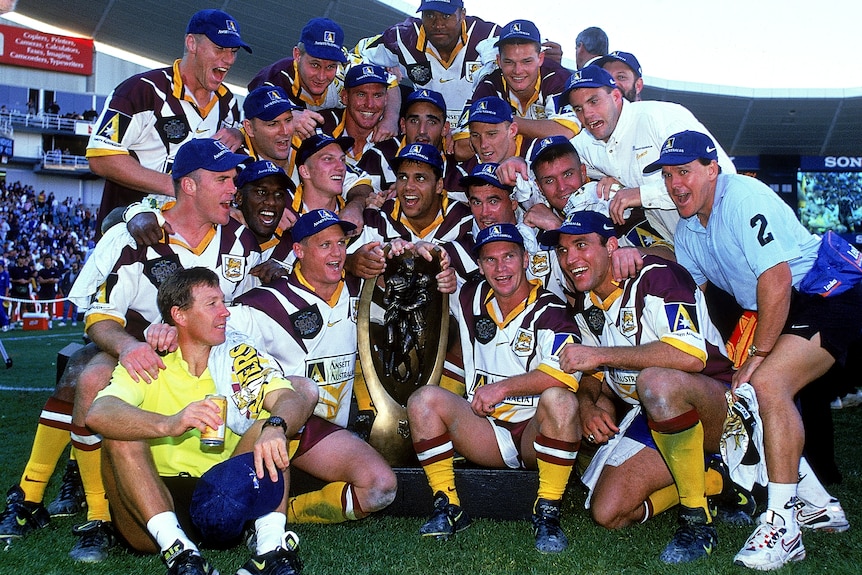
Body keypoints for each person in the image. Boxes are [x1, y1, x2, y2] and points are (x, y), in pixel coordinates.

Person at [646, 130, 858, 570]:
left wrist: (756, 358)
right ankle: (816, 504)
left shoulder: (741, 196)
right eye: (667, 175)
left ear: (712, 169)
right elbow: (700, 303)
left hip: (826, 293)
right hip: (779, 306)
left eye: (684, 171)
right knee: (745, 393)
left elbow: (776, 281)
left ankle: (783, 525)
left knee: (766, 384)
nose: (674, 184)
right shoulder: (687, 229)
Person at [62, 138, 258, 561]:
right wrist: (131, 346)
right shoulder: (137, 237)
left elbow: (251, 308)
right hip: (148, 355)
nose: (233, 189)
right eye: (223, 180)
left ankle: (249, 509)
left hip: (213, 359)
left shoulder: (242, 239)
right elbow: (99, 316)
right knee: (94, 380)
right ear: (188, 186)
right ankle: (97, 516)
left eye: (234, 179)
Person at [544, 210, 747, 563]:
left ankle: (697, 521)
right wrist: (588, 405)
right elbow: (593, 374)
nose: (570, 259)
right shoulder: (588, 303)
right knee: (608, 512)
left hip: (719, 405)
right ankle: (715, 480)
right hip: (654, 412)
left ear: (611, 246)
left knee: (656, 380)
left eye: (581, 245)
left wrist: (599, 353)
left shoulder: (656, 276)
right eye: (562, 251)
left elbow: (689, 358)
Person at [86, 267, 318, 575]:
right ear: (179, 315)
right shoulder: (150, 358)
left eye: (223, 302)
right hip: (150, 498)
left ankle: (271, 549)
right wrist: (169, 424)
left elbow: (289, 398)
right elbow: (98, 413)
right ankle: (181, 555)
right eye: (212, 304)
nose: (225, 313)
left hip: (221, 496)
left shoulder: (236, 355)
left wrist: (276, 426)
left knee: (273, 424)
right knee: (118, 432)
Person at [228, 210, 453, 524]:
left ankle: (291, 514)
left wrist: (435, 269)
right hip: (275, 426)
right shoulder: (261, 304)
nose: (336, 253)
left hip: (325, 433)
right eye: (324, 245)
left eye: (341, 244)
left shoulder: (362, 293)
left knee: (381, 489)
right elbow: (212, 331)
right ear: (298, 251)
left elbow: (415, 300)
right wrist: (165, 331)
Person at [407, 223, 582, 553]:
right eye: (490, 260)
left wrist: (501, 389)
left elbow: (565, 375)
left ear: (526, 259)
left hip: (535, 432)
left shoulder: (552, 310)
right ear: (480, 265)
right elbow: (434, 268)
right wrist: (423, 255)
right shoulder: (469, 296)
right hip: (485, 431)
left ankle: (547, 512)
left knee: (560, 401)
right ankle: (449, 506)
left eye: (509, 257)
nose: (501, 269)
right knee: (423, 401)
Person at [86, 9, 250, 230]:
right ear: (191, 43)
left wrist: (240, 132)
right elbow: (100, 156)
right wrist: (177, 187)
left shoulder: (228, 102)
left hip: (195, 241)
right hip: (132, 240)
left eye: (234, 51)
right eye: (219, 48)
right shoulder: (141, 90)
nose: (229, 60)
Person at [249, 17, 400, 141]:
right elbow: (253, 111)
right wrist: (288, 116)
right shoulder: (277, 78)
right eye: (315, 65)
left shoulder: (349, 69)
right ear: (297, 55)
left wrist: (391, 119)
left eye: (330, 67)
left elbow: (391, 82)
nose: (321, 76)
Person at [354, 0, 500, 127]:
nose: (438, 24)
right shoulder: (402, 38)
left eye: (446, 15)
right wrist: (390, 113)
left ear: (462, 14)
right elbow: (358, 55)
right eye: (430, 15)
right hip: (428, 132)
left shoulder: (488, 36)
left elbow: (517, 72)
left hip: (476, 131)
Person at [453, 19, 575, 160]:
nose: (518, 71)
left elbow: (566, 131)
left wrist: (505, 121)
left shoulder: (557, 78)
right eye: (509, 62)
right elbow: (460, 148)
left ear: (540, 58)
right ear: (498, 61)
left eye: (526, 61)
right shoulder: (489, 84)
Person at [35, 254, 62, 320]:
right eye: (46, 260)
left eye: (49, 260)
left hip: (51, 290)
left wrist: (45, 280)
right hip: (43, 290)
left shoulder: (55, 270)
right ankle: (42, 321)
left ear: (51, 261)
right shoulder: (41, 271)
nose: (47, 262)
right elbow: (40, 281)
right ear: (44, 261)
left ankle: (50, 321)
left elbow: (56, 280)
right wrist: (49, 280)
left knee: (50, 306)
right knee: (43, 307)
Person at [59, 260, 81, 326]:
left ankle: (74, 321)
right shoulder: (68, 274)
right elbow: (63, 283)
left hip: (76, 293)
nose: (74, 266)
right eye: (73, 265)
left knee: (74, 308)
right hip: (68, 292)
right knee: (66, 308)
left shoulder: (80, 274)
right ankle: (64, 321)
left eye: (75, 265)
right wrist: (63, 291)